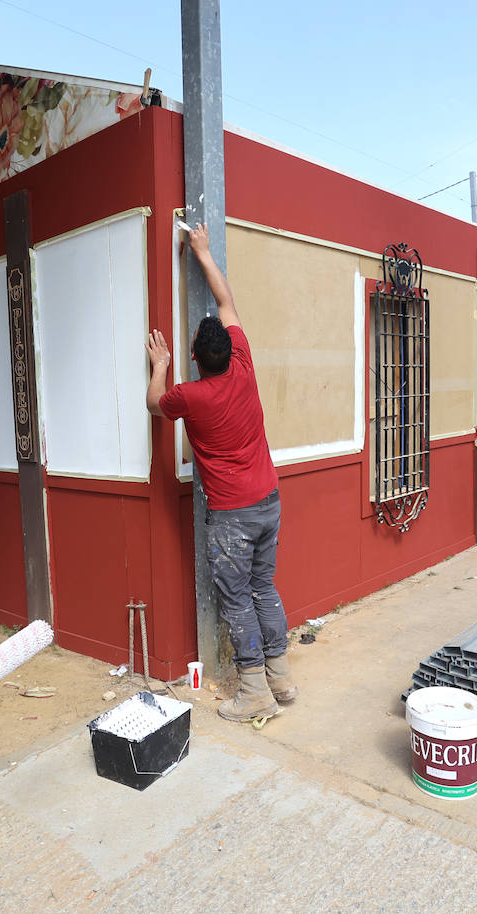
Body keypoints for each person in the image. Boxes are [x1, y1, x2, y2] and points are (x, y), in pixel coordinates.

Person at [145, 223, 297, 723]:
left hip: (232, 515)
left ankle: (255, 692)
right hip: (269, 502)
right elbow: (226, 300)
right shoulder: (244, 363)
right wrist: (204, 253)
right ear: (230, 351)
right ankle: (282, 679)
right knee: (264, 588)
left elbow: (153, 405)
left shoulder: (188, 396)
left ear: (195, 358)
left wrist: (159, 365)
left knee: (236, 598)